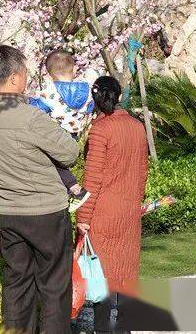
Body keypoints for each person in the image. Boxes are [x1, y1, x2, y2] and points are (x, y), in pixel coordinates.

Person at [0, 45, 80, 333]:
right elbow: (69, 152)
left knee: (17, 285)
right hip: (45, 212)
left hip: (10, 212)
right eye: (23, 74)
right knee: (54, 287)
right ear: (13, 78)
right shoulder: (29, 117)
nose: (26, 79)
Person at [75, 75, 149, 333]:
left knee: (102, 277)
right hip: (128, 211)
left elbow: (92, 178)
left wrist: (83, 216)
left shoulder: (100, 130)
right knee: (126, 273)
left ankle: (103, 329)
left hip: (103, 213)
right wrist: (136, 201)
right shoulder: (137, 126)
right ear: (118, 96)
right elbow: (142, 171)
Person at [28, 49, 95, 212]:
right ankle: (68, 190)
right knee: (57, 164)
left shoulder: (49, 91)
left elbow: (38, 107)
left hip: (56, 134)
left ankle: (75, 190)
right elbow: (90, 107)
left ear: (49, 73)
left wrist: (27, 100)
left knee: (49, 162)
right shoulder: (86, 90)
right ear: (73, 69)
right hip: (72, 135)